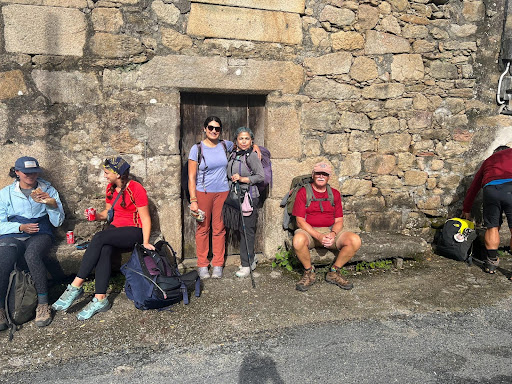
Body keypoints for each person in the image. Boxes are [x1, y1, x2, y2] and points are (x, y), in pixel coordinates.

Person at [52, 156, 155, 320]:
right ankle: (100, 298)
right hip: (115, 230)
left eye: (107, 172)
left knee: (99, 238)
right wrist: (96, 216)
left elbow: (145, 218)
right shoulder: (110, 188)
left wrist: (146, 242)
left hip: (133, 231)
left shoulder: (136, 189)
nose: (105, 175)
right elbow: (108, 213)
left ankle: (76, 285)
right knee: (105, 249)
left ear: (118, 174)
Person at [0, 156, 65, 330]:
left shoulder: (48, 190)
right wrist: (20, 226)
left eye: (34, 172)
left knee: (32, 255)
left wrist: (51, 204)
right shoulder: (6, 193)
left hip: (40, 233)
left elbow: (58, 222)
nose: (30, 176)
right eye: (26, 172)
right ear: (17, 172)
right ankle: (0, 308)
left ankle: (43, 304)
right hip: (13, 233)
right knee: (4, 258)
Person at [292, 162, 361, 292]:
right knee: (298, 241)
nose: (321, 176)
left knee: (355, 240)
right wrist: (318, 236)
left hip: (330, 230)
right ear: (313, 175)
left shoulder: (334, 194)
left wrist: (333, 234)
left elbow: (339, 220)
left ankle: (334, 272)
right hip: (309, 231)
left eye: (325, 174)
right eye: (318, 173)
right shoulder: (303, 192)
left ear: (328, 177)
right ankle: (309, 272)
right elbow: (300, 221)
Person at [188, 116, 234, 280]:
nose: (214, 131)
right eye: (210, 127)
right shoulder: (197, 148)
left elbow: (243, 143)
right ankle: (202, 264)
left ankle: (217, 264)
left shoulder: (225, 145)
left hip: (222, 192)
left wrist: (255, 145)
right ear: (204, 129)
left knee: (219, 229)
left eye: (217, 128)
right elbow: (191, 177)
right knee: (202, 229)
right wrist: (193, 200)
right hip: (203, 193)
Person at [462, 145, 512, 274]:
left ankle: (491, 264)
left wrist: (466, 209)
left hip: (491, 189)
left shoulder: (488, 161)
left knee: (492, 226)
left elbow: (473, 187)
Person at [224, 127, 265, 278]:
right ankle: (250, 258)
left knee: (247, 230)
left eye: (247, 138)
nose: (243, 141)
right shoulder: (233, 154)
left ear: (251, 140)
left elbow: (261, 176)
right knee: (241, 229)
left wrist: (243, 179)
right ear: (236, 140)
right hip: (234, 196)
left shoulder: (252, 156)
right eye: (241, 138)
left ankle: (246, 264)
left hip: (248, 196)